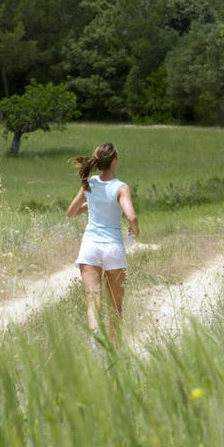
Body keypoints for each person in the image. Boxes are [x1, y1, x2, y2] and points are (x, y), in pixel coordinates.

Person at [66, 142, 139, 345]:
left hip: (90, 246)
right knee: (115, 306)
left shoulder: (89, 184)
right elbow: (131, 216)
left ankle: (95, 346)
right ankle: (115, 350)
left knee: (93, 301)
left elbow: (70, 212)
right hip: (113, 247)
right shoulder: (121, 187)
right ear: (114, 161)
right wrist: (135, 232)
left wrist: (90, 207)